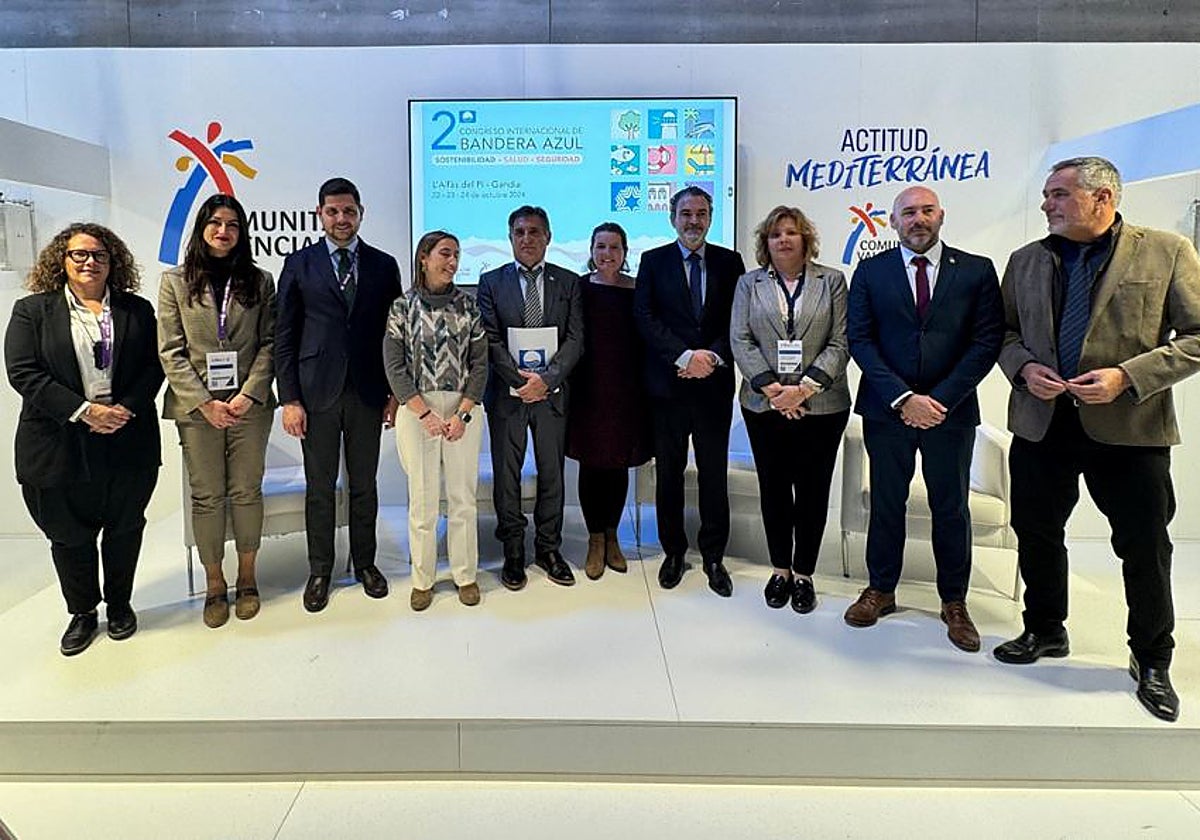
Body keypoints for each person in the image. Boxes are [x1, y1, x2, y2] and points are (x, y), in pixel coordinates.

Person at [993, 157, 1200, 722]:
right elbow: (1005, 332)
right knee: (1036, 533)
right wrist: (1022, 369)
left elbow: (1197, 337)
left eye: (1058, 194)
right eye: (1045, 195)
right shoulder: (1026, 260)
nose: (1046, 204)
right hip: (1043, 423)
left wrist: (1127, 377)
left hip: (1130, 429)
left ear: (1102, 197)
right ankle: (1044, 629)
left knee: (1144, 546)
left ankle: (1152, 659)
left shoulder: (1166, 251)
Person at [845, 186, 1003, 652]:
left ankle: (954, 602)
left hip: (948, 415)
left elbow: (986, 341)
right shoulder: (871, 272)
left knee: (951, 507)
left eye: (926, 211)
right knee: (887, 502)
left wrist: (939, 400)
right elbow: (860, 340)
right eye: (908, 212)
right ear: (892, 222)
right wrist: (901, 398)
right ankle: (881, 589)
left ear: (941, 216)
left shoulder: (976, 271)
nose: (918, 219)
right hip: (886, 411)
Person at [5, 223, 163, 655]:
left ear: (114, 263)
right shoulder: (32, 311)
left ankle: (120, 605)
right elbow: (23, 372)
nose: (89, 262)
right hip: (57, 442)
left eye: (99, 255)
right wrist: (84, 411)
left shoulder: (136, 310)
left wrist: (124, 408)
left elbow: (154, 365)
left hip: (127, 436)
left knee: (125, 526)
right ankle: (82, 612)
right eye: (79, 254)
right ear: (62, 260)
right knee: (68, 533)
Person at [275, 177, 403, 612]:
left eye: (349, 211)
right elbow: (285, 336)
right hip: (315, 395)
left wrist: (394, 392)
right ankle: (320, 570)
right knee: (320, 487)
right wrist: (289, 398)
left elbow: (393, 336)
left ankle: (365, 564)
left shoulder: (385, 266)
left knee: (364, 484)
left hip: (368, 392)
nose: (341, 219)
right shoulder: (299, 264)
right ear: (320, 214)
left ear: (360, 212)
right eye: (333, 211)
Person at [158, 194, 276, 628]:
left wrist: (247, 395)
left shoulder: (259, 281)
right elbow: (170, 351)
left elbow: (270, 342)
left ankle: (247, 579)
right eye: (215, 223)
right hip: (196, 408)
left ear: (242, 232)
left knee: (247, 490)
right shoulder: (174, 282)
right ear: (202, 228)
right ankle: (214, 584)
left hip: (249, 405)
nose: (223, 231)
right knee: (207, 496)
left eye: (232, 224)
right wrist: (205, 402)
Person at [730, 206, 850, 614]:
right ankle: (780, 570)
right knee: (775, 489)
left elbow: (840, 341)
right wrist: (773, 389)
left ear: (806, 239)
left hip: (822, 406)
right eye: (775, 234)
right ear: (766, 242)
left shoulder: (831, 280)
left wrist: (803, 389)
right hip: (764, 404)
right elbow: (740, 339)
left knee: (813, 491)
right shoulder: (749, 284)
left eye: (791, 233)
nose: (783, 240)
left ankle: (804, 574)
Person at [633, 186, 746, 597]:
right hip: (668, 388)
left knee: (714, 475)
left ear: (710, 217)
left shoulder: (729, 262)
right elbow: (644, 319)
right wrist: (683, 357)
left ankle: (714, 555)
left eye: (701, 213)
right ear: (672, 217)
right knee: (669, 475)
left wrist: (711, 358)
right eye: (686, 213)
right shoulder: (653, 261)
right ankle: (674, 551)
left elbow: (740, 318)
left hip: (713, 387)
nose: (693, 221)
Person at [477, 206, 584, 590]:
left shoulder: (569, 282)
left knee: (552, 472)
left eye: (535, 231)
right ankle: (513, 551)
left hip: (551, 395)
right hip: (508, 395)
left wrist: (547, 380)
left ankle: (548, 548)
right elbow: (488, 338)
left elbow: (576, 339)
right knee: (507, 475)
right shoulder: (490, 282)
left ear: (548, 237)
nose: (527, 238)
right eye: (519, 232)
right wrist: (520, 380)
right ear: (510, 238)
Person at [383, 231, 487, 610]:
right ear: (424, 258)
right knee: (423, 500)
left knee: (462, 498)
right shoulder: (401, 307)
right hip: (416, 411)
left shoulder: (469, 307)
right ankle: (422, 580)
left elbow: (480, 364)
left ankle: (465, 575)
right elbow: (393, 364)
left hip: (463, 409)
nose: (453, 262)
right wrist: (422, 412)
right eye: (445, 254)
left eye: (457, 255)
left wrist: (463, 412)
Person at [567, 222, 652, 580]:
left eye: (614, 247)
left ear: (625, 252)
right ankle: (595, 539)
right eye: (600, 247)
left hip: (627, 391)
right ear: (591, 250)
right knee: (592, 465)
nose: (607, 254)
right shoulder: (579, 288)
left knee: (618, 465)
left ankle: (614, 536)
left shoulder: (638, 290)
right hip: (588, 390)